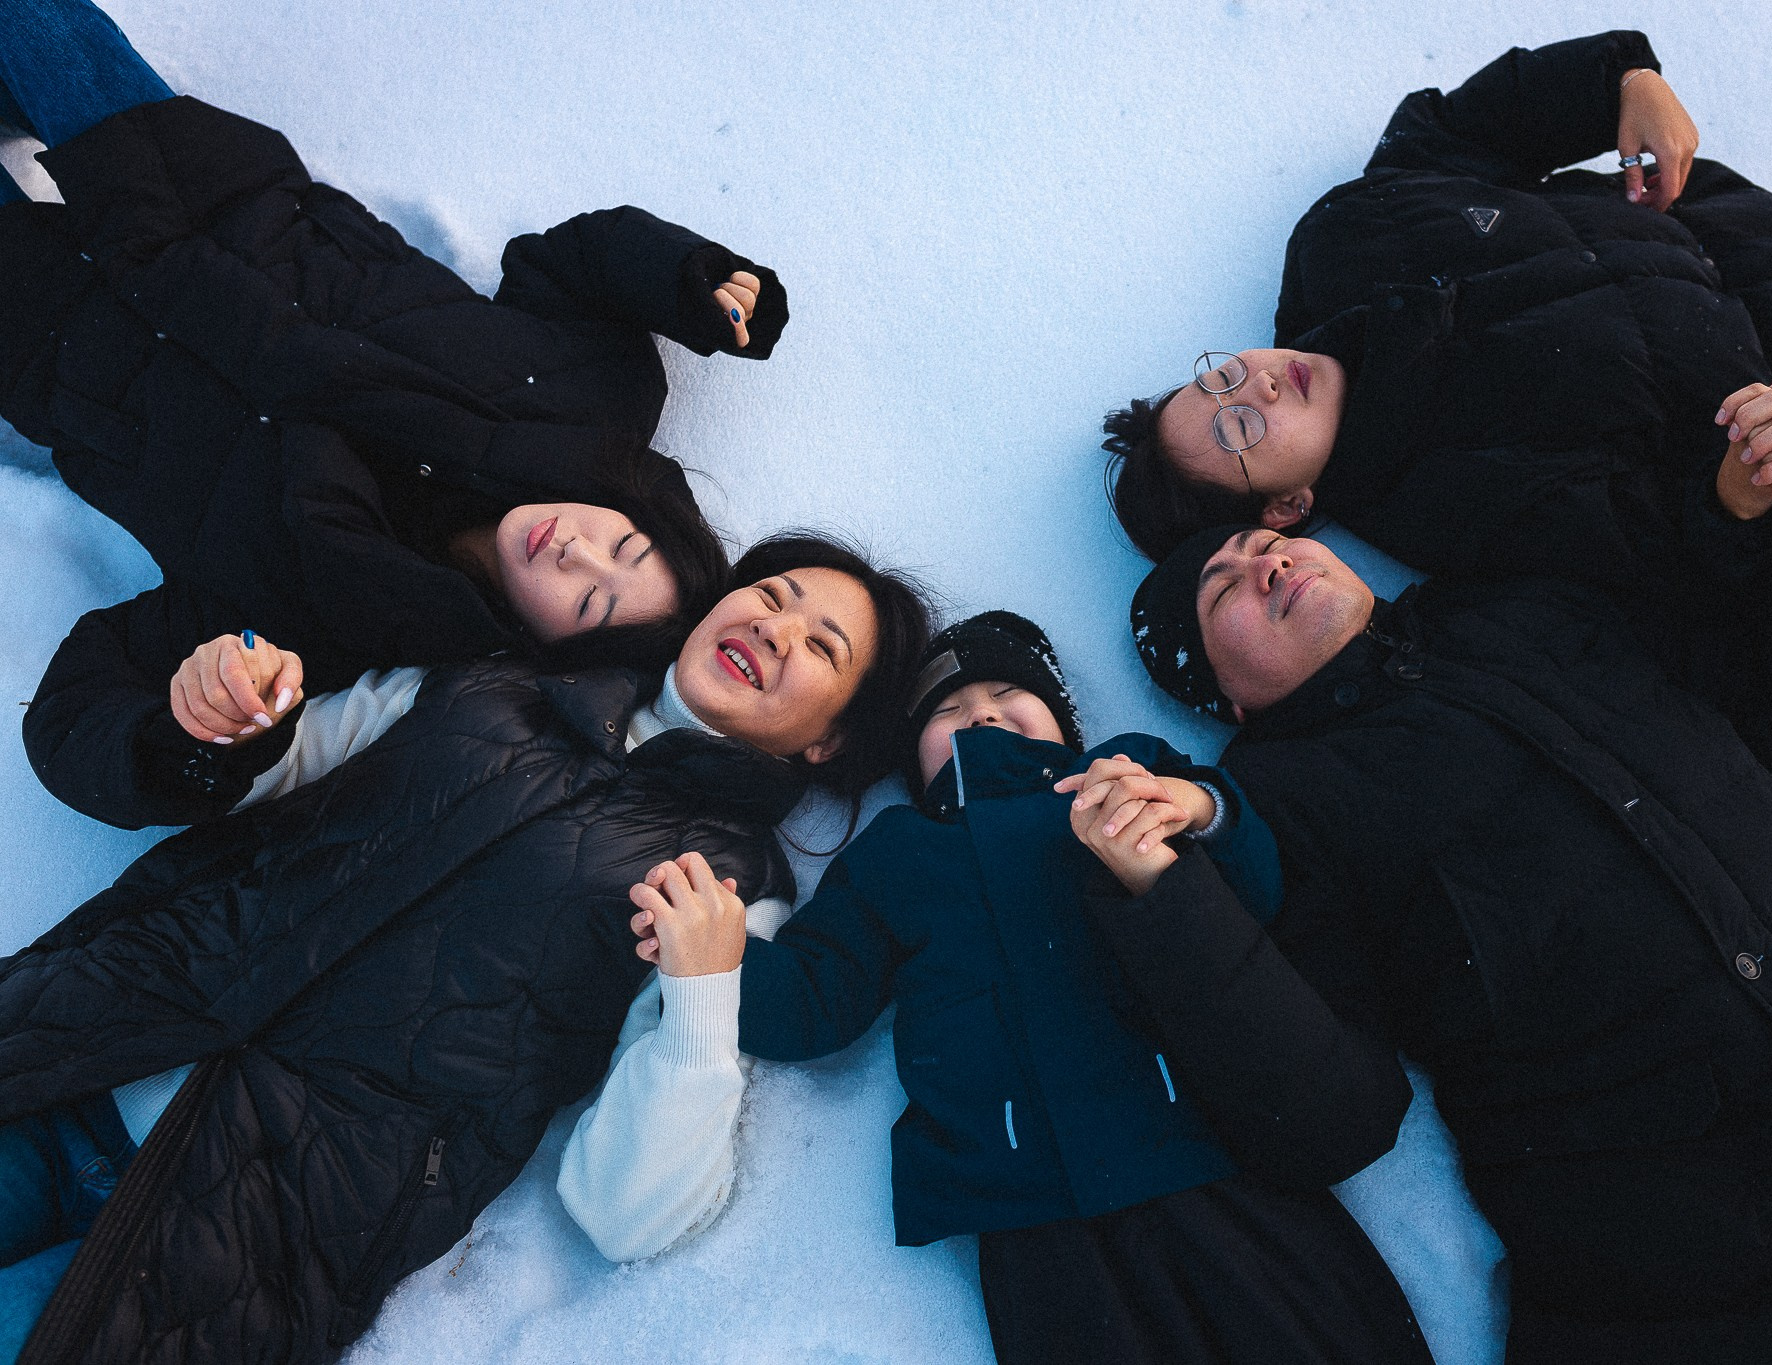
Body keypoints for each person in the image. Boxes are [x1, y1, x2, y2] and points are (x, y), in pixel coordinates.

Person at [1116, 424, 1772, 1365]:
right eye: (1224, 587)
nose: (1267, 566)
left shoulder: (1530, 610)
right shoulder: (1280, 817)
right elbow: (1330, 1114)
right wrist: (1171, 897)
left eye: (1269, 544)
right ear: (1223, 699)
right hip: (1732, 1299)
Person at [0, 532, 932, 1365]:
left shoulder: (726, 889)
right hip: (75, 1039)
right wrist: (229, 712)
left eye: (821, 647)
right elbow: (261, 770)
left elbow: (624, 1212)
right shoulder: (490, 686)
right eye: (773, 596)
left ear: (831, 739)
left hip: (241, 1238)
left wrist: (700, 997)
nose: (777, 630)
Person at [561, 610, 1432, 1364]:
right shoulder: (899, 853)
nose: (980, 713)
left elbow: (1257, 880)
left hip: (1208, 1159)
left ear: (1064, 722)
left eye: (1010, 698)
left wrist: (1200, 807)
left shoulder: (1123, 771)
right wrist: (716, 960)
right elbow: (817, 1000)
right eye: (947, 709)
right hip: (1035, 1215)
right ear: (912, 758)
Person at [0, 0, 791, 825]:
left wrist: (191, 737)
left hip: (49, 330)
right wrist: (688, 282)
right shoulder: (592, 398)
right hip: (206, 190)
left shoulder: (336, 617)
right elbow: (568, 265)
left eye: (589, 602)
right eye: (622, 541)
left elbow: (76, 709)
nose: (578, 552)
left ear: (551, 650)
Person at [1101, 30, 1772, 619]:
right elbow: (1663, 548)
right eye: (1240, 425)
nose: (1260, 381)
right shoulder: (1454, 509)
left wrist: (1620, 80)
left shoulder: (1334, 250)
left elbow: (1450, 135)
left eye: (1222, 376)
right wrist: (1734, 494)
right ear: (1287, 508)